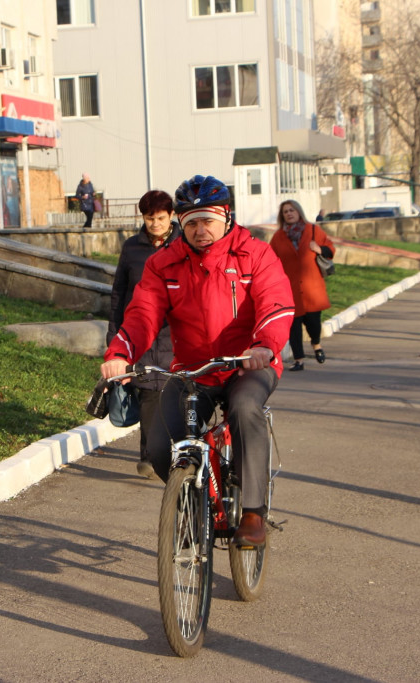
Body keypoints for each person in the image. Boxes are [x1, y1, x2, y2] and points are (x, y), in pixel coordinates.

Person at [101, 175, 295, 547]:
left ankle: (253, 512)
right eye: (191, 222)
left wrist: (265, 346)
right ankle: (193, 500)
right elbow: (142, 313)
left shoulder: (255, 254)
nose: (200, 229)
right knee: (161, 447)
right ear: (181, 224)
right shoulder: (164, 264)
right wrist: (120, 353)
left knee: (243, 408)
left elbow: (276, 302)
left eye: (207, 219)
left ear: (226, 217)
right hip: (192, 370)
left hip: (248, 364)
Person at [107, 191, 182, 478]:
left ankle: (176, 451)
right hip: (140, 332)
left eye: (161, 218)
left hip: (174, 332)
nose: (155, 224)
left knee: (173, 392)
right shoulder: (132, 248)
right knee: (149, 392)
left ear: (171, 216)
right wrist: (114, 334)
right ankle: (149, 457)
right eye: (150, 218)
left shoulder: (183, 246)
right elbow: (119, 294)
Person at [268, 200, 335, 372]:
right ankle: (298, 359)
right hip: (289, 290)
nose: (289, 213)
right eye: (285, 212)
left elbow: (330, 250)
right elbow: (270, 261)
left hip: (312, 288)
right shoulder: (278, 237)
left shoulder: (313, 230)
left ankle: (316, 344)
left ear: (298, 212)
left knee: (314, 324)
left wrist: (319, 249)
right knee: (293, 328)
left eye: (292, 210)